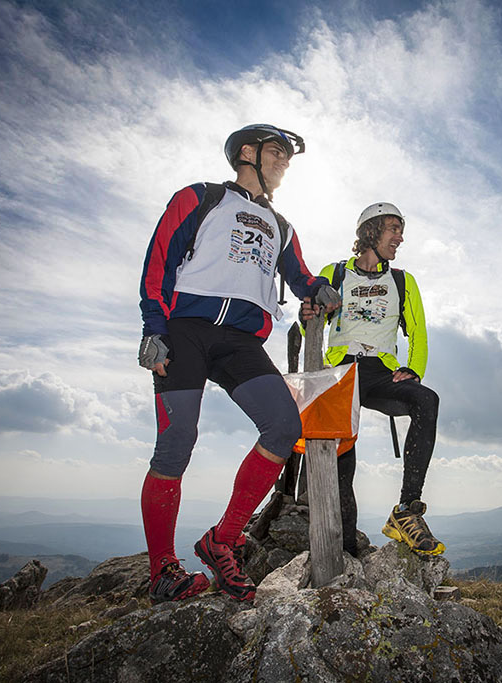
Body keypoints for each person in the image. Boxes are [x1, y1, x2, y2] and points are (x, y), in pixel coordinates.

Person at [137, 124, 340, 603]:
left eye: (288, 158)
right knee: (176, 444)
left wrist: (316, 292)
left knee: (283, 425)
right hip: (185, 329)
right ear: (246, 153)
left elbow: (300, 276)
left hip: (239, 340)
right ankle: (162, 571)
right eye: (277, 152)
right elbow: (158, 261)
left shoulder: (283, 226)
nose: (283, 163)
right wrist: (154, 328)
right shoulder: (200, 198)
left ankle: (223, 539)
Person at [307, 202, 444, 557]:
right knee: (343, 463)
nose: (400, 237)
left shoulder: (402, 280)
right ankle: (347, 549)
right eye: (393, 228)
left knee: (426, 400)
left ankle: (406, 511)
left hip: (381, 371)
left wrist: (415, 369)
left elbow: (418, 331)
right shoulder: (333, 272)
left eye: (401, 229)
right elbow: (311, 324)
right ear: (369, 231)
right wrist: (308, 315)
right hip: (339, 371)